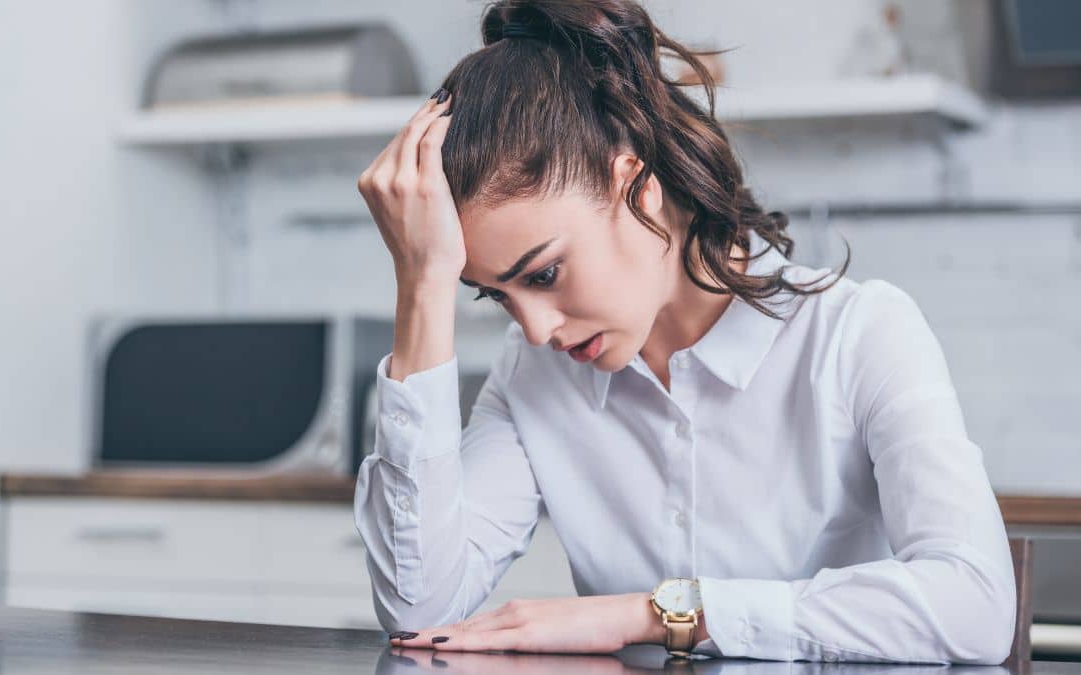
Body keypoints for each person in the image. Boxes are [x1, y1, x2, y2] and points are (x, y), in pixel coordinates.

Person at [353, 0, 1015, 663]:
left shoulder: (860, 335)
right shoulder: (536, 376)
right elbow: (420, 609)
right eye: (496, 294)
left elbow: (976, 606)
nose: (533, 329)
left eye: (546, 273)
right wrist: (422, 282)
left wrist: (658, 613)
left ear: (637, 186)